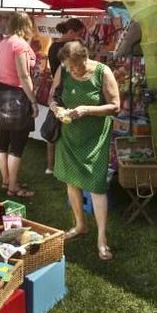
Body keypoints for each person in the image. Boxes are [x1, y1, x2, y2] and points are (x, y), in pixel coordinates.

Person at [49, 41, 120, 260]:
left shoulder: (102, 72)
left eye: (74, 67)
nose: (71, 70)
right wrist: (56, 108)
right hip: (70, 136)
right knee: (71, 181)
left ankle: (101, 239)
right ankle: (80, 225)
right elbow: (52, 96)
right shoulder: (63, 68)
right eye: (68, 67)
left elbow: (115, 106)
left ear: (84, 58)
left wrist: (87, 109)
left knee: (96, 185)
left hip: (95, 138)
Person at [0, 12, 38, 199]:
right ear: (26, 25)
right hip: (16, 95)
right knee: (17, 144)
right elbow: (23, 76)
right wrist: (33, 101)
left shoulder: (3, 43)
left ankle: (6, 180)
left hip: (0, 93)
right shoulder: (20, 45)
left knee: (2, 141)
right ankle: (13, 187)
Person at [45, 18, 86, 175]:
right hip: (66, 89)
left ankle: (50, 166)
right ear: (70, 32)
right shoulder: (66, 48)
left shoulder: (54, 46)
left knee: (53, 131)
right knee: (61, 129)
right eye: (78, 34)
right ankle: (63, 165)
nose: (79, 37)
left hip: (57, 89)